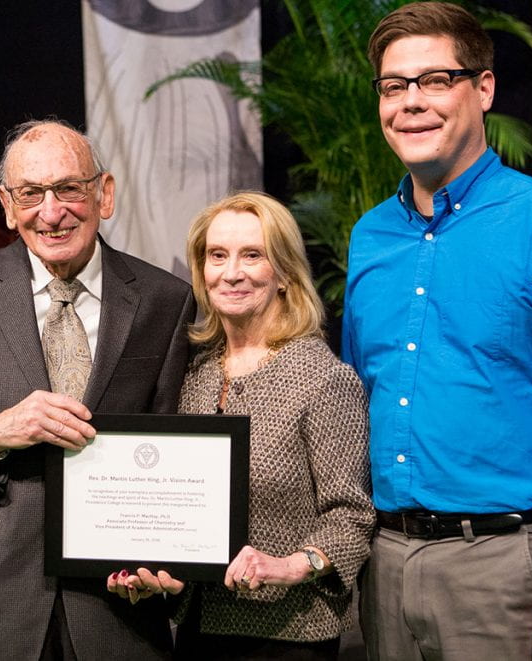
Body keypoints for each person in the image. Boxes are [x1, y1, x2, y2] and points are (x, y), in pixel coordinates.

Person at [341, 3, 532, 660]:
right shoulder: (369, 238)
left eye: (435, 80)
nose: (411, 103)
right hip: (383, 567)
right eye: (394, 86)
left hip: (505, 570)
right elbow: (352, 405)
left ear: (483, 88)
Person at [0, 119, 195, 660]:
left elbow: (172, 449)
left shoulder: (167, 300)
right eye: (31, 193)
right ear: (5, 203)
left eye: (69, 188)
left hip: (118, 606)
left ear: (104, 194)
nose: (51, 211)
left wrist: (165, 561)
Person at [109, 191, 374, 660]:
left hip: (288, 634)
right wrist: (151, 566)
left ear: (286, 274)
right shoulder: (191, 372)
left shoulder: (323, 378)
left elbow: (351, 515)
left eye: (253, 255)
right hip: (194, 628)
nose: (231, 272)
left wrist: (293, 565)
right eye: (217, 256)